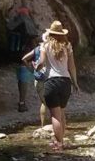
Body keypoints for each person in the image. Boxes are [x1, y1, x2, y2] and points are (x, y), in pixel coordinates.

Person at [35, 21, 79, 151]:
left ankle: (58, 143)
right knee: (62, 113)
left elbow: (41, 63)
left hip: (51, 82)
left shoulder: (45, 46)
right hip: (65, 82)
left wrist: (36, 67)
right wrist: (75, 82)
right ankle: (60, 141)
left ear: (50, 33)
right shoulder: (67, 46)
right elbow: (72, 66)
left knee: (55, 115)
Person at [22, 35, 51, 127]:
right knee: (54, 103)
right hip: (50, 78)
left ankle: (43, 126)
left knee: (44, 103)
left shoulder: (37, 49)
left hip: (39, 78)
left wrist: (31, 69)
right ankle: (56, 124)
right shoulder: (52, 49)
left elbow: (24, 59)